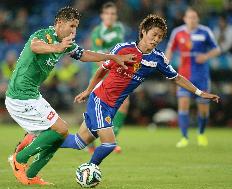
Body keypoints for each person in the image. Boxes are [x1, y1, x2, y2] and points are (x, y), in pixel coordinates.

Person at [16, 14, 219, 178]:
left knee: (77, 143)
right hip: (100, 101)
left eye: (160, 37)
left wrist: (200, 93)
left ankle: (35, 138)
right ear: (143, 32)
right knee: (110, 143)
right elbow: (102, 70)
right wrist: (88, 91)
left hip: (112, 107)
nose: (156, 40)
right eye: (153, 34)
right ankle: (89, 170)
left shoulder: (158, 60)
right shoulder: (123, 49)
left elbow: (177, 78)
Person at [6, 6, 135, 186]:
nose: (74, 31)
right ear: (59, 23)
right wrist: (57, 47)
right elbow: (35, 46)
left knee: (58, 135)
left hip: (32, 95)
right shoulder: (46, 36)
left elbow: (84, 55)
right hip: (19, 95)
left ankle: (31, 175)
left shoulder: (65, 44)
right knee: (61, 129)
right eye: (71, 26)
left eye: (76, 27)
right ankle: (19, 160)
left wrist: (112, 57)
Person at [165, 7, 221, 148]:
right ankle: (184, 137)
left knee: (203, 109)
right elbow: (170, 50)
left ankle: (201, 133)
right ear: (185, 19)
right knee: (183, 105)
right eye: (190, 17)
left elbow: (217, 49)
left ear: (198, 19)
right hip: (184, 75)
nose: (192, 20)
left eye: (194, 17)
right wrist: (165, 64)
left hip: (201, 76)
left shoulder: (205, 31)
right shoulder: (178, 32)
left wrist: (206, 56)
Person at [89, 1, 128, 153]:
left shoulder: (119, 28)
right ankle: (90, 141)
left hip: (116, 71)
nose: (110, 17)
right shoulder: (97, 33)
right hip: (102, 72)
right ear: (102, 16)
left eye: (113, 14)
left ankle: (113, 139)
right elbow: (99, 57)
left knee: (124, 103)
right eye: (108, 14)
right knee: (99, 108)